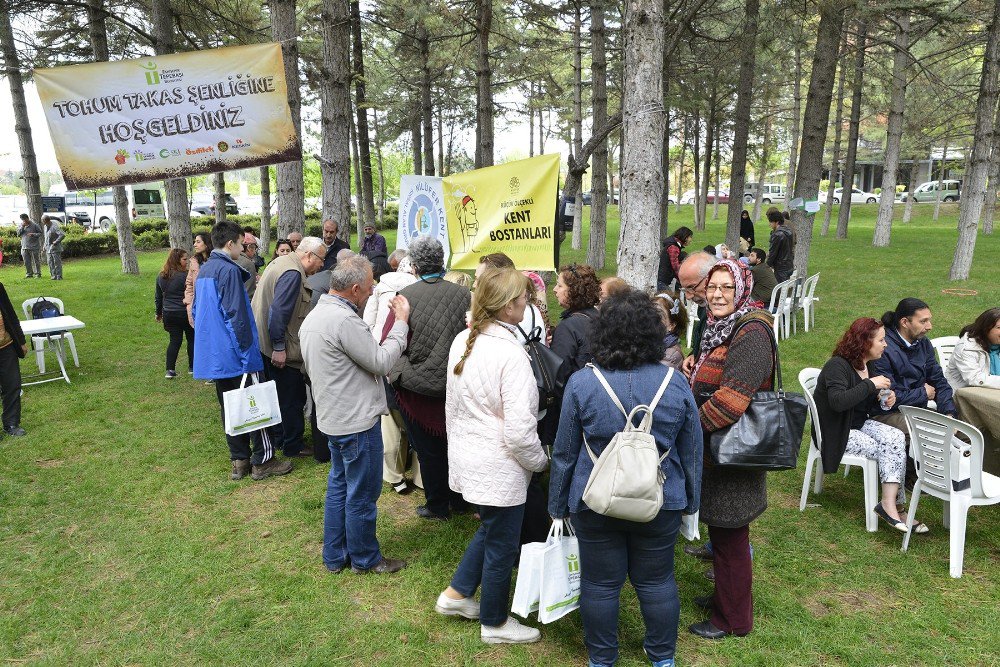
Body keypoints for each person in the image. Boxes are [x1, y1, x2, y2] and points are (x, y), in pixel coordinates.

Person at [549, 290, 703, 667]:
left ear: (601, 333)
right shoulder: (675, 382)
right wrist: (691, 502)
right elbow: (693, 448)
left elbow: (565, 452)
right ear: (653, 333)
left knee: (600, 584)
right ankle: (662, 657)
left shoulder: (583, 384)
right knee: (656, 581)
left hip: (595, 497)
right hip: (662, 497)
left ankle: (602, 659)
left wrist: (557, 506)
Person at [435, 266, 549, 645]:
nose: (528, 302)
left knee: (493, 529)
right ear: (509, 307)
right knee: (503, 543)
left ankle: (457, 594)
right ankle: (495, 623)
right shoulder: (509, 354)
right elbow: (520, 431)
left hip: (473, 455)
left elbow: (452, 407)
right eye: (523, 298)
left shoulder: (464, 340)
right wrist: (540, 462)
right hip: (500, 462)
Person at [300, 254, 412, 575]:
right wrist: (400, 324)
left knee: (339, 487)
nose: (372, 289)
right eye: (368, 285)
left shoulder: (316, 315)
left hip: (334, 420)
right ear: (353, 289)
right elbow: (380, 361)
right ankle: (365, 558)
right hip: (356, 423)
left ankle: (335, 556)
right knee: (361, 493)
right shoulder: (344, 321)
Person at [688, 258, 773, 639]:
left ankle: (733, 620)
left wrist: (689, 431)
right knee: (725, 534)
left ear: (741, 289)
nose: (717, 295)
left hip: (734, 453)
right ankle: (727, 594)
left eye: (726, 287)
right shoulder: (721, 327)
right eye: (712, 287)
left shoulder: (751, 331)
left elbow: (731, 401)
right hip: (719, 451)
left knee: (731, 538)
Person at [193, 221, 293, 482]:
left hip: (216, 355)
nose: (244, 246)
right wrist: (249, 355)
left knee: (230, 407)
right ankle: (264, 460)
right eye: (241, 242)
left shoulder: (205, 269)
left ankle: (239, 460)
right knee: (254, 404)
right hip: (236, 355)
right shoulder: (228, 270)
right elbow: (236, 316)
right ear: (231, 244)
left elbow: (196, 311)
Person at [384, 236, 471, 520]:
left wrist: (397, 374)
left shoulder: (405, 298)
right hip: (455, 384)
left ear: (416, 265)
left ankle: (436, 505)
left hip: (416, 388)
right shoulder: (464, 296)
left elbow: (391, 342)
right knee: (456, 444)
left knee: (428, 451)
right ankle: (460, 500)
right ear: (441, 261)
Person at [813, 318, 927, 533]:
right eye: (882, 340)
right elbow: (838, 403)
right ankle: (893, 507)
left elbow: (867, 399)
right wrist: (870, 385)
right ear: (864, 342)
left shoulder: (870, 364)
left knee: (896, 438)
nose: (886, 344)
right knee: (886, 450)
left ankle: (891, 505)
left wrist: (885, 397)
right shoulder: (837, 366)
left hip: (859, 423)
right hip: (837, 430)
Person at [251, 236, 327, 459]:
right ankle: (293, 445)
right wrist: (279, 347)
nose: (322, 265)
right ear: (309, 255)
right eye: (321, 259)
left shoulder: (281, 262)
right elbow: (278, 313)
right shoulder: (292, 273)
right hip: (281, 349)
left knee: (280, 396)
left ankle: (281, 438)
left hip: (266, 344)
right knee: (292, 399)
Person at [362, 250, 421, 495]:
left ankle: (395, 476)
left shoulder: (380, 287)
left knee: (390, 422)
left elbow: (368, 322)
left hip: (382, 356)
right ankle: (421, 476)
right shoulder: (420, 290)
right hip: (411, 357)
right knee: (419, 417)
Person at [871, 298, 957, 430]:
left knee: (964, 433)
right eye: (923, 321)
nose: (929, 326)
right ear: (904, 322)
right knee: (939, 432)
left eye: (929, 320)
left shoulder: (923, 343)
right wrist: (923, 393)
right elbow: (886, 397)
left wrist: (948, 413)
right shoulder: (883, 348)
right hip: (886, 414)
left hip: (917, 410)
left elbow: (938, 380)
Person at [551, 264, 602, 378]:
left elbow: (559, 373)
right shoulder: (598, 316)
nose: (554, 289)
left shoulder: (568, 327)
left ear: (574, 291)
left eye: (559, 286)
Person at [677, 251, 718, 377]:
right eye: (684, 290)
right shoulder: (705, 307)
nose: (688, 297)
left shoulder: (751, 327)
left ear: (711, 277)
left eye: (691, 287)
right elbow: (701, 343)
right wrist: (693, 355)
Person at [156, 248, 194, 379]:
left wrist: (158, 313)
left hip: (169, 313)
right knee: (191, 339)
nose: (187, 261)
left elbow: (158, 297)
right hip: (185, 312)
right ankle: (192, 367)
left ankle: (170, 370)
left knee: (174, 341)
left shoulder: (161, 276)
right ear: (177, 260)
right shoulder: (186, 276)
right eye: (184, 259)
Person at [945, 307, 1000, 391]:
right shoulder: (967, 347)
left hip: (991, 391)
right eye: (999, 328)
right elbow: (974, 379)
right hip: (963, 395)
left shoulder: (996, 343)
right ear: (986, 328)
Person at [0, 281, 27, 438]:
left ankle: (11, 423)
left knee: (12, 384)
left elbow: (10, 313)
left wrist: (21, 340)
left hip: (6, 345)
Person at [652, 293, 688, 370]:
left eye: (659, 314)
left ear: (672, 325)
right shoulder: (652, 343)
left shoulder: (670, 356)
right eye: (650, 312)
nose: (651, 317)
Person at [185, 232, 213, 328]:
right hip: (198, 305)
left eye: (198, 242)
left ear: (207, 243)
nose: (194, 245)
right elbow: (189, 284)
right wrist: (189, 303)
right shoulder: (195, 262)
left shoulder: (215, 261)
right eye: (195, 242)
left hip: (212, 305)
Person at [657, 226, 693, 290]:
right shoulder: (673, 247)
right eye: (690, 237)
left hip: (664, 280)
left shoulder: (674, 245)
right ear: (685, 237)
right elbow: (676, 267)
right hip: (662, 281)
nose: (691, 239)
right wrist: (683, 281)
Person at [765, 209, 794, 282]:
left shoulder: (777, 234)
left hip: (781, 267)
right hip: (789, 264)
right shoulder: (788, 231)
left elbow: (773, 253)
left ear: (777, 222)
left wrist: (766, 266)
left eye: (771, 222)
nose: (769, 224)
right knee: (784, 288)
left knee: (779, 290)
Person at [17, 214, 42, 279]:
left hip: (34, 247)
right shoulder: (21, 225)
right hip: (24, 247)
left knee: (36, 261)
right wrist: (22, 227)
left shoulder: (35, 225)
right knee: (26, 262)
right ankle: (29, 274)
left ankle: (37, 274)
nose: (24, 221)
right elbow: (18, 234)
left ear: (28, 218)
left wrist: (33, 234)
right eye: (23, 220)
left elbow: (40, 233)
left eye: (25, 219)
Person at [236, 232, 259, 298]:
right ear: (249, 247)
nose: (255, 252)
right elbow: (249, 293)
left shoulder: (229, 258)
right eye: (255, 248)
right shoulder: (248, 264)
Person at [42, 215, 65, 280]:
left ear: (45, 220)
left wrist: (56, 241)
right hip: (48, 248)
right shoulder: (45, 226)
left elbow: (62, 235)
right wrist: (44, 246)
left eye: (42, 220)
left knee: (57, 263)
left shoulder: (54, 226)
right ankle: (53, 276)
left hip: (55, 248)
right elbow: (46, 237)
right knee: (50, 262)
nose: (42, 222)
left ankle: (59, 276)